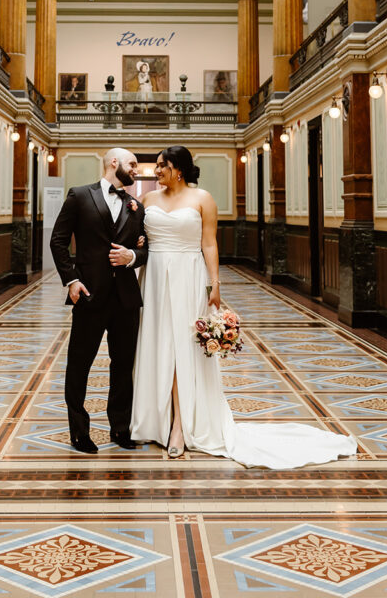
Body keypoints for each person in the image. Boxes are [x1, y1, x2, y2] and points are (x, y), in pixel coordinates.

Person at [130, 145, 357, 469]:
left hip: (188, 277)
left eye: (163, 166)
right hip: (153, 278)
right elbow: (139, 236)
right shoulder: (148, 200)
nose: (157, 172)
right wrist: (138, 244)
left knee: (184, 348)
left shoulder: (202, 199)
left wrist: (214, 285)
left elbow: (209, 243)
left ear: (179, 169)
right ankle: (155, 419)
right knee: (156, 345)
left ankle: (180, 424)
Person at [50, 148, 148, 454]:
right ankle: (79, 432)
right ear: (114, 163)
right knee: (79, 365)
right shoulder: (79, 196)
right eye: (133, 164)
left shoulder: (137, 206)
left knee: (123, 366)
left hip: (126, 299)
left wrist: (132, 256)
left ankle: (120, 428)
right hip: (89, 295)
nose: (136, 170)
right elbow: (58, 240)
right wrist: (72, 280)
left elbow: (146, 249)